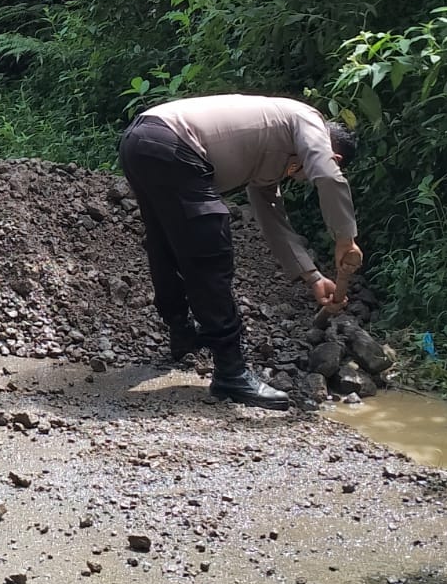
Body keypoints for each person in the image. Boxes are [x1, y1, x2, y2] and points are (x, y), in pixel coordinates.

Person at [119, 94, 362, 410]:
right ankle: (231, 372)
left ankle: (182, 332)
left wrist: (312, 276)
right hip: (172, 144)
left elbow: (271, 217)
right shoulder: (307, 120)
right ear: (335, 156)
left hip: (139, 142)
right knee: (210, 249)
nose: (298, 177)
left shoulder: (272, 145)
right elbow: (327, 176)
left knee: (165, 243)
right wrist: (345, 238)